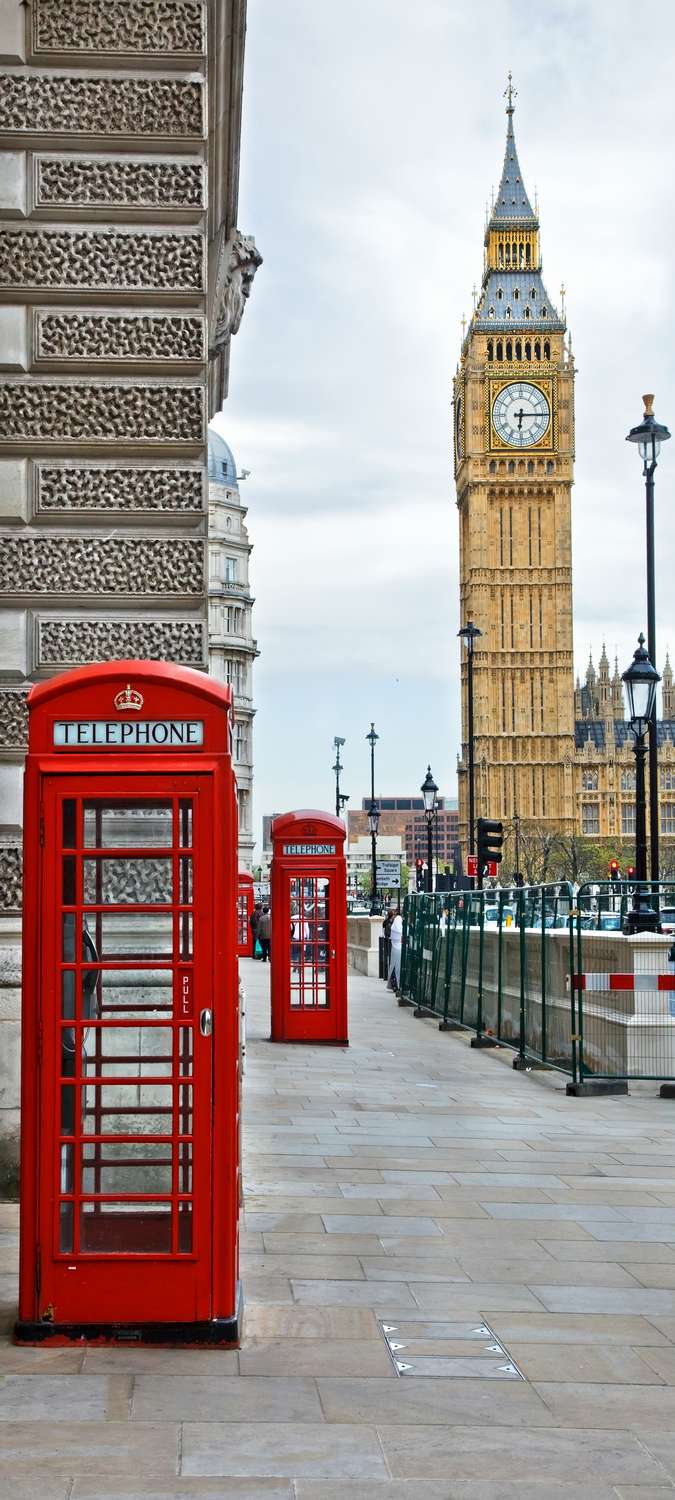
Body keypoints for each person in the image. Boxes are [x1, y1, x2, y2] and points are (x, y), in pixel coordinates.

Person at [387, 909, 403, 992]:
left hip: (395, 947)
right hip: (398, 947)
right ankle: (396, 984)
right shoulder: (398, 921)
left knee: (394, 966)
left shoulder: (395, 923)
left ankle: (395, 984)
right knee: (397, 967)